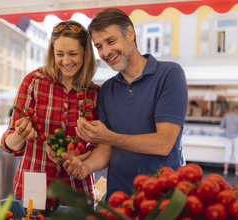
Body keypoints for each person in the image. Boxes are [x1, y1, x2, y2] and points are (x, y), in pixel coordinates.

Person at [62, 8, 188, 201]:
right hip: (118, 200)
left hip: (164, 200)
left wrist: (110, 137)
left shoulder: (170, 74)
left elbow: (164, 144)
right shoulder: (107, 90)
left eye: (110, 41)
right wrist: (86, 167)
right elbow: (105, 149)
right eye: (99, 46)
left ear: (130, 33)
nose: (105, 52)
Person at [0, 20, 100, 215]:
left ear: (85, 54)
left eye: (73, 54)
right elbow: (7, 143)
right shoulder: (34, 82)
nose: (65, 61)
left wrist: (77, 159)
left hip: (76, 195)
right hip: (32, 192)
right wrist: (20, 135)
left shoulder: (95, 94)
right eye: (59, 54)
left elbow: (99, 148)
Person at [220, 105, 238, 177]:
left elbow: (221, 126)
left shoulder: (226, 115)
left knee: (227, 153)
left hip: (227, 137)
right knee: (237, 154)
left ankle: (225, 171)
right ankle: (237, 172)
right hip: (237, 137)